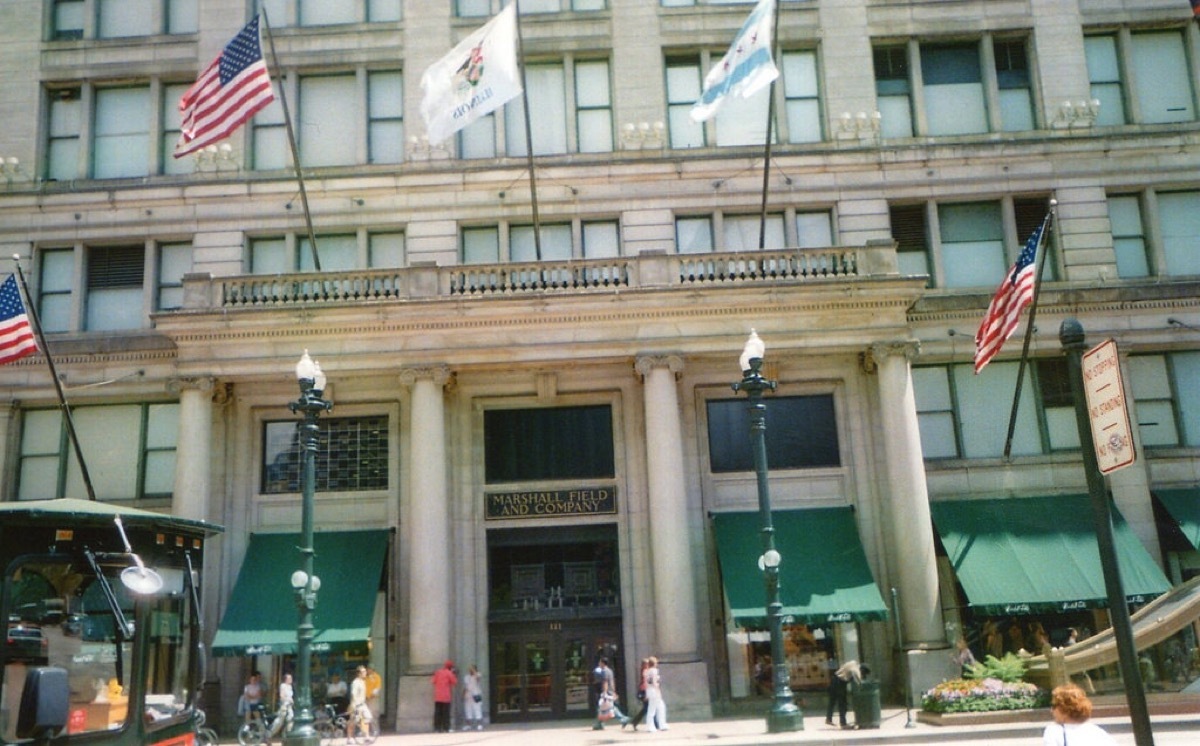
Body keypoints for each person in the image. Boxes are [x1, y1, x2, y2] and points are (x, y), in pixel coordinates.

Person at [1042, 683, 1116, 746]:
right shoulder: (1098, 732)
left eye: (1054, 706)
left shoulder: (1054, 731)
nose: (1051, 710)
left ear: (1065, 710)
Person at [825, 659, 868, 728]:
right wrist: (861, 685)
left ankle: (828, 719)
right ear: (862, 670)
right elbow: (859, 682)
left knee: (832, 701)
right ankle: (843, 723)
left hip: (834, 679)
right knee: (842, 704)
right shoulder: (856, 670)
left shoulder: (853, 662)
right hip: (840, 683)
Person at [591, 657, 629, 731]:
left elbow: (605, 682)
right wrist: (614, 691)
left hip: (607, 692)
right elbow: (612, 681)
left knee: (603, 707)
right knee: (608, 707)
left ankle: (623, 719)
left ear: (602, 663)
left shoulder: (604, 671)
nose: (599, 664)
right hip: (610, 691)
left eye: (600, 662)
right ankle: (600, 723)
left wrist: (604, 692)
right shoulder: (610, 671)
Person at [431, 659, 458, 733]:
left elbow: (433, 681)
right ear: (450, 667)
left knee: (438, 713)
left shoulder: (438, 672)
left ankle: (437, 728)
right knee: (446, 713)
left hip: (437, 696)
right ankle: (446, 728)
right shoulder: (449, 673)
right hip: (446, 696)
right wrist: (453, 674)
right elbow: (455, 682)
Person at [349, 665, 373, 743]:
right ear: (359, 673)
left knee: (368, 717)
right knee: (353, 721)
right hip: (356, 704)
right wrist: (355, 705)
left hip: (362, 704)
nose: (365, 673)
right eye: (363, 672)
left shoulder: (363, 681)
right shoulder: (355, 682)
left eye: (365, 671)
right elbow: (353, 694)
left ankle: (366, 736)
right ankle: (350, 738)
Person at [643, 655, 668, 732]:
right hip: (654, 690)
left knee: (660, 707)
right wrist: (658, 690)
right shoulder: (654, 670)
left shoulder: (646, 671)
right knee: (653, 709)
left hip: (650, 690)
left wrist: (647, 693)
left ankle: (662, 724)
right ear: (654, 663)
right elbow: (654, 682)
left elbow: (646, 683)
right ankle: (652, 726)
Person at [268, 673, 294, 739]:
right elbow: (282, 696)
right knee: (280, 721)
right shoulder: (283, 685)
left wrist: (291, 700)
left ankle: (288, 734)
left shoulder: (290, 686)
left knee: (291, 718)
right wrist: (287, 699)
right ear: (286, 679)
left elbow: (290, 696)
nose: (291, 679)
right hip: (284, 705)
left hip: (289, 705)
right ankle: (269, 735)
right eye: (289, 678)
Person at [627, 658, 651, 731]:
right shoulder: (645, 672)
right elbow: (645, 684)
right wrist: (647, 694)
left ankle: (635, 722)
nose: (648, 665)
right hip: (644, 691)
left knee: (647, 708)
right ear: (644, 665)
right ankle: (635, 721)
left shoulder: (644, 671)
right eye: (647, 664)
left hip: (644, 691)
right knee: (647, 708)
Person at [461, 664, 484, 731]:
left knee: (477, 709)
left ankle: (479, 724)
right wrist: (463, 695)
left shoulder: (478, 674)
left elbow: (478, 679)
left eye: (472, 669)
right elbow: (466, 686)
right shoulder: (466, 677)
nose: (470, 670)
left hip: (477, 694)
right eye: (469, 669)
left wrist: (474, 671)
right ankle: (468, 725)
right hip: (468, 695)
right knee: (468, 710)